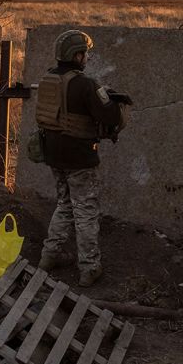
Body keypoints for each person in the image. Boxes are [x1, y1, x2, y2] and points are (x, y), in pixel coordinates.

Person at [34, 30, 127, 287]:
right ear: (77, 55)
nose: (86, 57)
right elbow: (110, 118)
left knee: (64, 204)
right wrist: (113, 102)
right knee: (85, 211)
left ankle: (49, 256)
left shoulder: (47, 79)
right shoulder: (86, 84)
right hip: (79, 158)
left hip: (53, 154)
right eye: (84, 53)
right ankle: (89, 267)